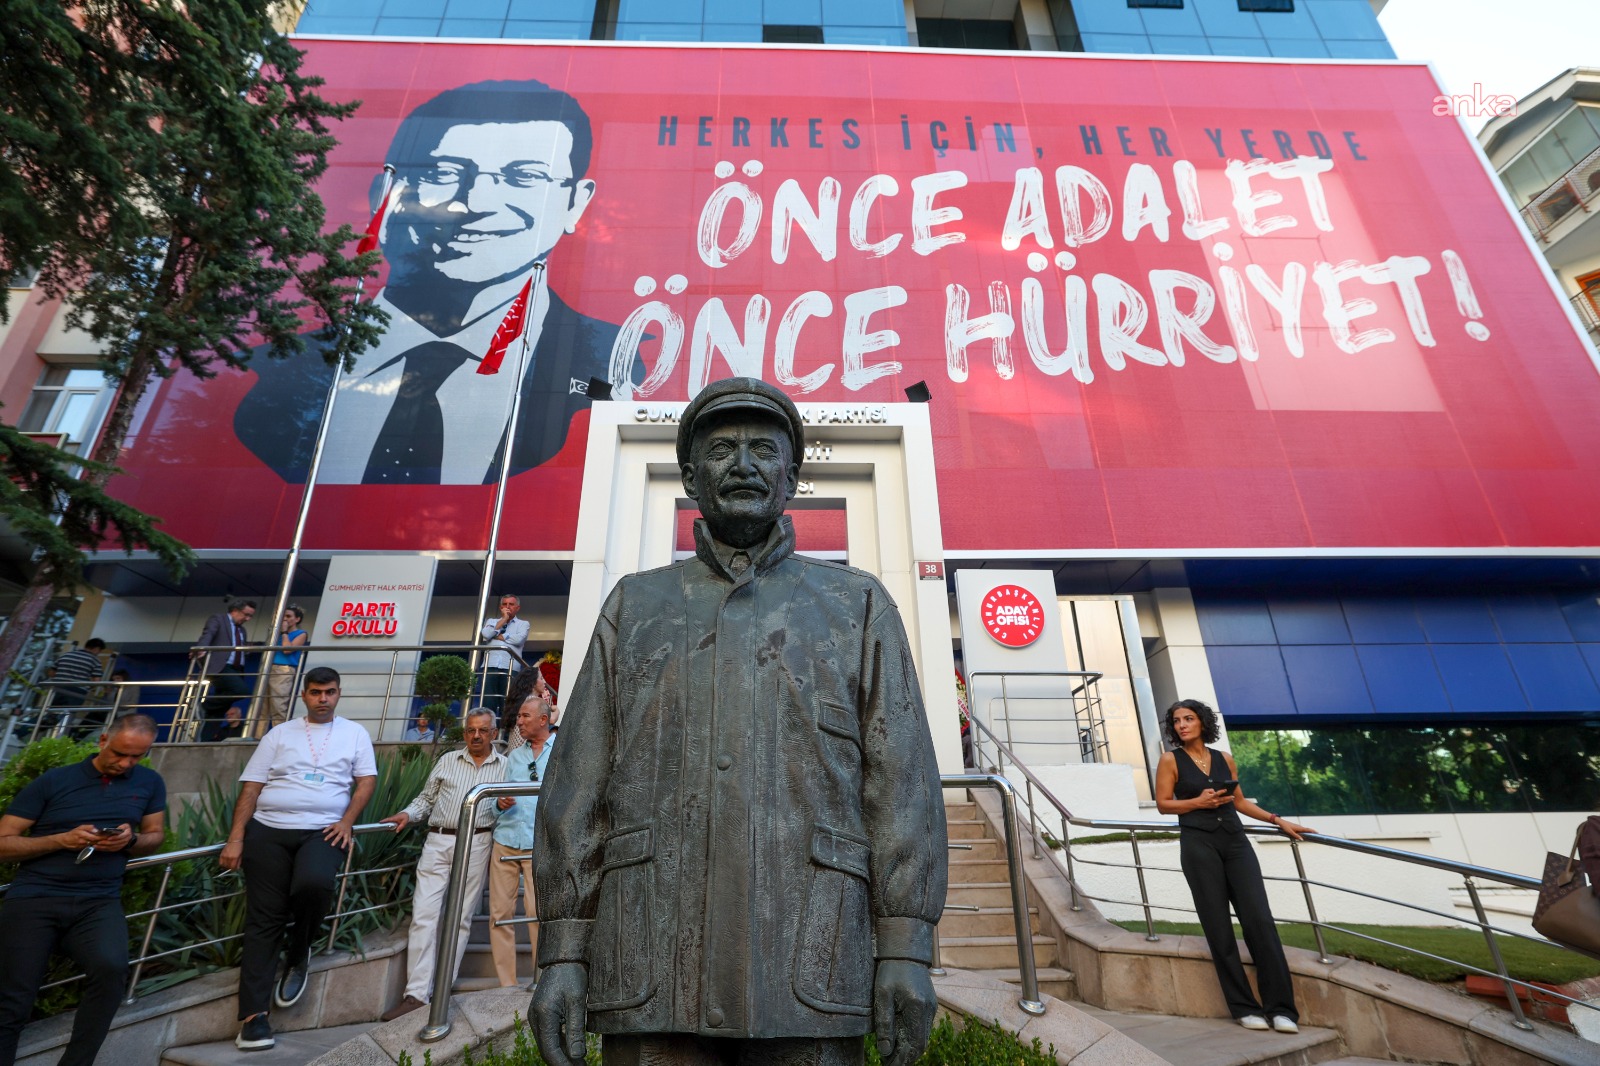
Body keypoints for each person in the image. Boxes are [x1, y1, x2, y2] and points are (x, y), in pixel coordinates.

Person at [533, 377, 948, 1066]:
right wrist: (563, 953)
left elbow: (902, 787)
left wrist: (905, 945)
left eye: (763, 448)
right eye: (722, 449)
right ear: (692, 476)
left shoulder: (857, 606)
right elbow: (577, 789)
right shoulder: (634, 607)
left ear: (792, 474)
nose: (745, 464)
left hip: (810, 970)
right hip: (651, 970)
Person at [235, 77, 639, 486]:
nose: (475, 204)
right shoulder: (267, 373)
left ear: (575, 203)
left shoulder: (620, 369)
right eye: (444, 172)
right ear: (387, 194)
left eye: (524, 177)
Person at [220, 667, 377, 1052]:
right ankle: (254, 1019)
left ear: (339, 694)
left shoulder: (354, 733)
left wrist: (347, 821)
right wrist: (236, 837)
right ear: (303, 695)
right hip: (268, 831)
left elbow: (366, 781)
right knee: (264, 918)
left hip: (324, 830)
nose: (323, 698)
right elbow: (252, 786)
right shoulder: (279, 733)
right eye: (315, 692)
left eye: (330, 692)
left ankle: (299, 949)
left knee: (314, 884)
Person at [0, 716, 166, 1066]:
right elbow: (3, 843)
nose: (126, 764)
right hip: (35, 898)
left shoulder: (150, 782)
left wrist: (130, 839)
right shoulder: (55, 780)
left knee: (111, 969)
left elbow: (155, 835)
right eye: (120, 753)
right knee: (15, 995)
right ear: (103, 739)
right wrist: (60, 839)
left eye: (137, 757)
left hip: (98, 900)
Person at [1154, 698, 1316, 1035]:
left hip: (1236, 843)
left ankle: (1282, 1009)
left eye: (1189, 718)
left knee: (1259, 920)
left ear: (1202, 723)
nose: (1182, 725)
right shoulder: (1170, 760)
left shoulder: (1224, 759)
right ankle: (1243, 1007)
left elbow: (1240, 802)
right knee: (1218, 928)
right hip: (1198, 845)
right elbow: (1163, 805)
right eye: (1176, 721)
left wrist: (1278, 820)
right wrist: (1197, 802)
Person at [379, 708, 508, 1021]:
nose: (475, 736)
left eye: (482, 730)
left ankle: (441, 989)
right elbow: (425, 799)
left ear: (494, 733)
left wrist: (505, 805)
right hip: (438, 840)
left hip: (477, 841)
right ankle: (415, 994)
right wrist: (407, 814)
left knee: (461, 917)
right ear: (464, 733)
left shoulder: (506, 766)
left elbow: (510, 809)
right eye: (470, 731)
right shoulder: (448, 760)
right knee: (424, 914)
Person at [489, 695, 553, 988]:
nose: (519, 721)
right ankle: (507, 985)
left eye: (525, 716)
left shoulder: (560, 752)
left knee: (535, 914)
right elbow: (494, 799)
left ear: (543, 719)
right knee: (499, 915)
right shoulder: (514, 756)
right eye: (519, 717)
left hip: (539, 844)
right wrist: (498, 803)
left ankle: (540, 981)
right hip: (505, 840)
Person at [191, 600, 257, 742]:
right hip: (220, 666)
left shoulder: (242, 630)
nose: (248, 619)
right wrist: (201, 648)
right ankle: (204, 705)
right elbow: (208, 634)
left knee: (217, 713)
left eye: (251, 616)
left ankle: (205, 741)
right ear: (235, 610)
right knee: (241, 690)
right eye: (246, 615)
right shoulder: (219, 619)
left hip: (236, 669)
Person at [259, 605, 309, 738]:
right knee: (261, 707)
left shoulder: (300, 633)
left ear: (297, 619)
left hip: (283, 669)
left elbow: (287, 650)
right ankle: (257, 738)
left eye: (288, 616)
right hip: (269, 667)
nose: (285, 619)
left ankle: (281, 737)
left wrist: (285, 632)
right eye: (283, 616)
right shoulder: (276, 633)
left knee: (278, 705)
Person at [480, 594, 529, 724]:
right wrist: (503, 619)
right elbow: (485, 635)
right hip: (490, 666)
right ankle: (487, 731)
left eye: (511, 604)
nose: (508, 607)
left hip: (511, 668)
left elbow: (519, 639)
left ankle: (505, 736)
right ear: (501, 607)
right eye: (505, 604)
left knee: (508, 703)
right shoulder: (491, 621)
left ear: (517, 608)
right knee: (488, 702)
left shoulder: (523, 624)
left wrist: (497, 635)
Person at [47, 638, 107, 711]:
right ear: (96, 649)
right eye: (100, 651)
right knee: (68, 714)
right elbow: (96, 681)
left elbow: (51, 673)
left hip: (58, 688)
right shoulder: (95, 660)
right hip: (78, 691)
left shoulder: (66, 655)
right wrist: (90, 687)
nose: (98, 653)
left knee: (50, 711)